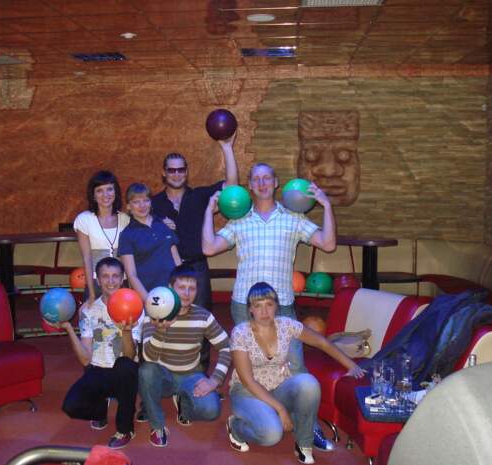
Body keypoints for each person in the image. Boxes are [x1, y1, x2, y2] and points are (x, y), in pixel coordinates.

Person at [202, 162, 337, 450]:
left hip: (283, 305)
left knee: (297, 367)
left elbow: (327, 244)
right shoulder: (239, 220)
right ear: (250, 186)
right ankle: (254, 413)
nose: (262, 183)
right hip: (245, 306)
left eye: (267, 178)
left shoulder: (293, 217)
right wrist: (208, 213)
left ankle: (309, 426)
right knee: (250, 368)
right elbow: (209, 248)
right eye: (256, 179)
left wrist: (326, 206)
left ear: (276, 183)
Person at [227, 282, 365, 464]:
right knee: (271, 435)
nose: (264, 311)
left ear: (276, 306)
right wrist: (280, 409)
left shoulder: (286, 325)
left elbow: (321, 342)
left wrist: (351, 365)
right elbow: (248, 381)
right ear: (250, 309)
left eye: (269, 304)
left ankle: (304, 444)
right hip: (247, 392)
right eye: (258, 306)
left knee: (308, 383)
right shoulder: (240, 333)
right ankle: (236, 427)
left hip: (278, 386)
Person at [151, 135, 239, 375]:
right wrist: (159, 226)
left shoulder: (200, 197)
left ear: (186, 172)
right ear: (164, 173)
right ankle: (165, 375)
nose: (176, 174)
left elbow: (231, 186)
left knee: (200, 323)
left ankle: (199, 377)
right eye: (172, 170)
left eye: (181, 170)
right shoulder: (153, 203)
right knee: (163, 321)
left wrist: (227, 148)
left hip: (196, 269)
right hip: (166, 269)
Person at [138, 265, 232, 447]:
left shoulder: (203, 316)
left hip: (191, 375)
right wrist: (160, 331)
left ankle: (184, 403)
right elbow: (148, 358)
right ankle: (157, 426)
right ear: (170, 288)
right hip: (163, 377)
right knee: (146, 371)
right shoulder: (154, 314)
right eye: (181, 287)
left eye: (192, 288)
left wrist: (214, 380)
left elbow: (226, 347)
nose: (187, 293)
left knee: (211, 411)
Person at [59, 257, 141, 449]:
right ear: (97, 279)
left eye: (115, 276)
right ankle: (99, 410)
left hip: (124, 373)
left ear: (123, 278)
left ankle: (125, 429)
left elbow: (129, 356)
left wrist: (126, 331)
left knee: (125, 366)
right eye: (105, 276)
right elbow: (85, 359)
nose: (111, 281)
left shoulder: (135, 306)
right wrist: (69, 329)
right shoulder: (89, 311)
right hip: (98, 369)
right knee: (71, 407)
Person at [118, 183, 181, 302]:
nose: (142, 206)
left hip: (173, 293)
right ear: (128, 206)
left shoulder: (163, 224)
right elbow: (131, 275)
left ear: (151, 203)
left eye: (146, 200)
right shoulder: (126, 235)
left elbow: (177, 261)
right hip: (149, 296)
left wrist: (181, 289)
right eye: (136, 202)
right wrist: (149, 300)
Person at [73, 171, 129, 303]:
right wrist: (91, 293)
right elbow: (87, 257)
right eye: (99, 191)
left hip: (122, 282)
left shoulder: (126, 219)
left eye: (109, 189)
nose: (105, 195)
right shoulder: (84, 220)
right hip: (96, 283)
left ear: (115, 192)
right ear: (93, 195)